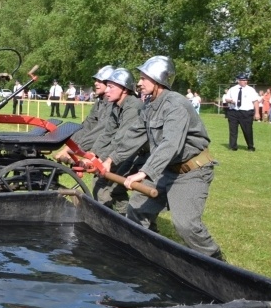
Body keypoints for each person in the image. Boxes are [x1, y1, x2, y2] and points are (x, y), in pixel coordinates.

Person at [122, 55, 224, 260]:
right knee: (135, 210)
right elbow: (133, 135)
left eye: (144, 78)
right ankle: (150, 254)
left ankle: (220, 265)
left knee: (186, 226)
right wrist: (105, 158)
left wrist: (143, 172)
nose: (139, 83)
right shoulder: (150, 105)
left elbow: (171, 144)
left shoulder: (176, 104)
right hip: (165, 169)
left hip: (191, 172)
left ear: (159, 80)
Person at [91, 68, 146, 215]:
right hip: (129, 152)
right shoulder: (116, 106)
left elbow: (121, 138)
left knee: (109, 185)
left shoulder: (133, 107)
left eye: (111, 87)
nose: (106, 90)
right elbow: (107, 134)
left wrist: (105, 160)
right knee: (113, 186)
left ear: (124, 89)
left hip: (143, 155)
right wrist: (93, 155)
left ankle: (112, 219)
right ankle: (119, 218)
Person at [53, 65, 114, 164]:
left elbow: (103, 130)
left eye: (100, 81)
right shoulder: (100, 101)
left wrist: (78, 149)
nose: (95, 83)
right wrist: (69, 146)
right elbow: (87, 125)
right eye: (96, 80)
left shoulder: (113, 104)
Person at [222, 73, 260, 151]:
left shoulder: (250, 90)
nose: (245, 82)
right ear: (238, 81)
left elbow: (255, 101)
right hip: (233, 112)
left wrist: (257, 113)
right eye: (243, 80)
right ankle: (233, 146)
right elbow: (226, 98)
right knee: (233, 130)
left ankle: (250, 146)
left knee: (247, 130)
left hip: (246, 112)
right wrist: (230, 100)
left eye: (246, 80)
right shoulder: (232, 89)